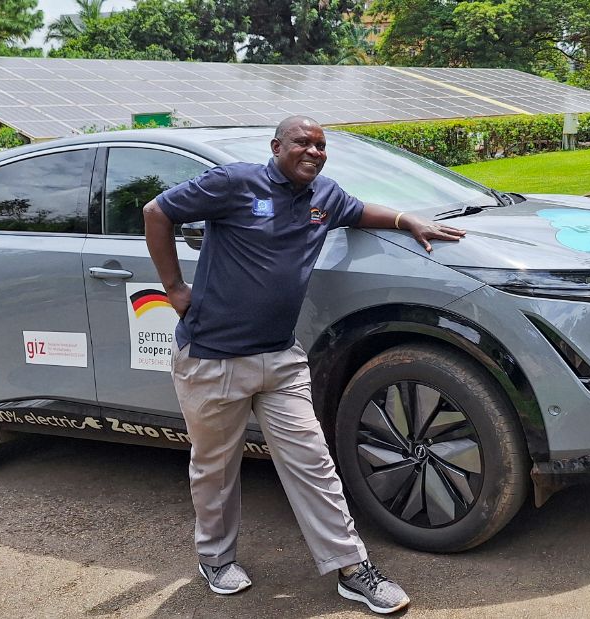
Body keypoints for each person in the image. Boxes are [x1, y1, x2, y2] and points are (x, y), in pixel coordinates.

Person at [142, 115, 465, 614]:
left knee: (314, 463)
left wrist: (407, 220)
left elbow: (360, 211)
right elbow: (156, 212)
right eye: (302, 143)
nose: (313, 151)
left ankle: (352, 569)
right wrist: (174, 289)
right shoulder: (234, 183)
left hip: (280, 358)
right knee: (215, 468)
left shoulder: (324, 196)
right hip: (212, 359)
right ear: (277, 146)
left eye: (320, 145)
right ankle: (215, 558)